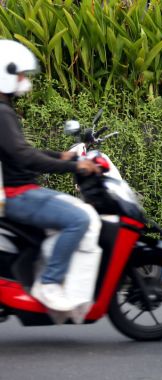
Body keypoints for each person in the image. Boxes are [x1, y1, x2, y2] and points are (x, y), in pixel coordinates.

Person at [0, 40, 101, 312]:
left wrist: (61, 155)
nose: (24, 80)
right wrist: (74, 167)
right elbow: (24, 157)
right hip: (19, 195)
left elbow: (22, 151)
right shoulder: (2, 113)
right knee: (79, 218)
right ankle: (50, 282)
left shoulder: (5, 111)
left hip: (21, 192)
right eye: (20, 74)